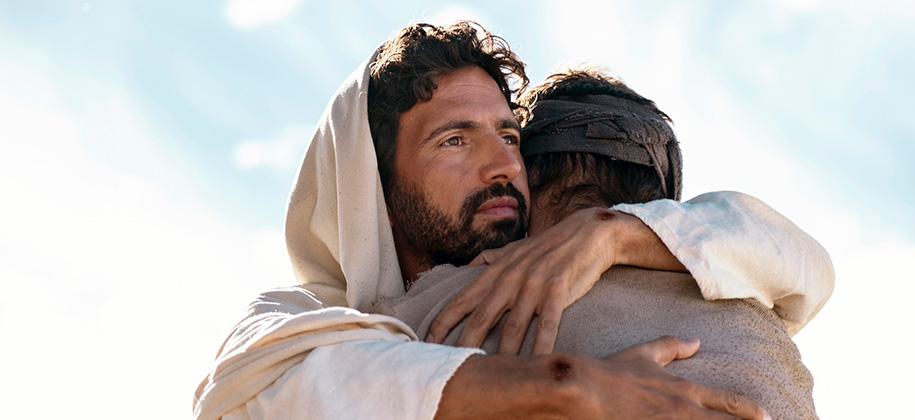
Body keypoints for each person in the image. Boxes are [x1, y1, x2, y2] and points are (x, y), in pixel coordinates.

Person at [193, 21, 833, 420]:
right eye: (455, 140)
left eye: (509, 136)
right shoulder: (302, 317)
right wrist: (571, 388)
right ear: (373, 185)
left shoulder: (583, 257)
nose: (504, 165)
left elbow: (795, 261)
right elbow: (276, 390)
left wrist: (611, 231)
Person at [373, 68, 820, 420]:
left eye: (509, 141)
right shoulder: (744, 293)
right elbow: (807, 265)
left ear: (527, 180)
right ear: (664, 201)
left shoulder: (439, 308)